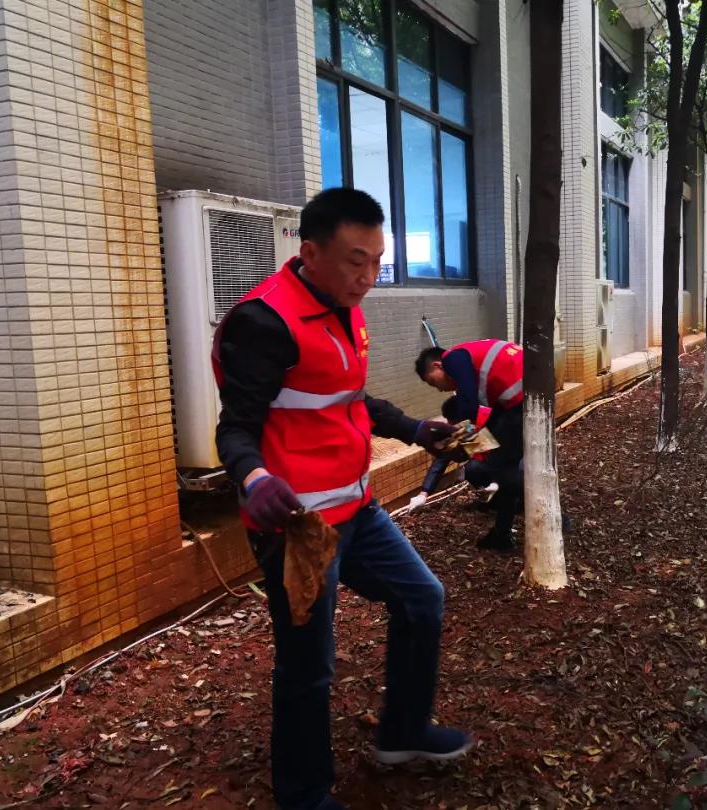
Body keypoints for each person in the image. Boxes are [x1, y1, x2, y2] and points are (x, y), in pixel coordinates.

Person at [212, 188, 472, 810]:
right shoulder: (263, 323)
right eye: (356, 261)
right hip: (298, 526)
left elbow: (349, 398)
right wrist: (254, 478)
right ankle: (303, 795)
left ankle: (402, 732)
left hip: (357, 508)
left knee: (422, 599)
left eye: (377, 261)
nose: (368, 276)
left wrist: (415, 429)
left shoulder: (344, 311)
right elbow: (235, 428)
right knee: (309, 664)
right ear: (310, 253)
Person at [416, 340, 524, 552]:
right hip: (523, 396)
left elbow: (468, 407)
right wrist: (462, 445)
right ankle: (502, 530)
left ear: (437, 365)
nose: (439, 389)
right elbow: (486, 427)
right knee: (496, 464)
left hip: (520, 399)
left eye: (433, 382)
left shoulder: (453, 358)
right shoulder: (475, 365)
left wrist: (457, 439)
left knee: (503, 467)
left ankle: (505, 532)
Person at [408, 396, 499, 511]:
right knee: (472, 468)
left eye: (453, 423)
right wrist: (423, 494)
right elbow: (443, 457)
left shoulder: (493, 418)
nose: (450, 427)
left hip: (511, 465)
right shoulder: (467, 427)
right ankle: (494, 503)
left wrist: (497, 480)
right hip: (490, 465)